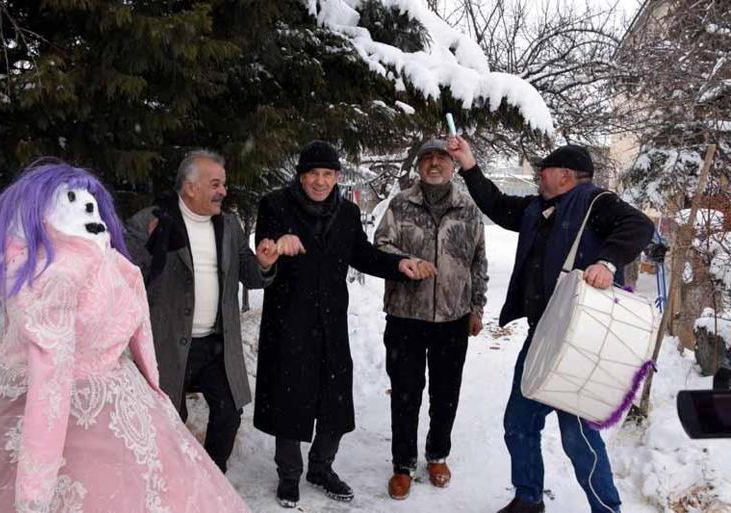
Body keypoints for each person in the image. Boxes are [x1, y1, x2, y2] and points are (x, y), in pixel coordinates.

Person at [0, 161, 249, 513]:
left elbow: (136, 298)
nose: (222, 191)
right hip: (58, 408)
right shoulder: (56, 274)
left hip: (128, 392)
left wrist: (152, 387)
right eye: (215, 183)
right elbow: (50, 373)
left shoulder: (109, 257)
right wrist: (34, 491)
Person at [447, 138, 654, 513]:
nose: (539, 174)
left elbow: (638, 225)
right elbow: (497, 205)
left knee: (578, 436)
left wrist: (606, 263)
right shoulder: (538, 208)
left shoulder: (597, 204)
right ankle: (529, 499)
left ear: (565, 175)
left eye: (545, 169)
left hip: (581, 340)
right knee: (519, 422)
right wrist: (469, 164)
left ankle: (607, 509)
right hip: (542, 334)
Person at [252, 140, 436, 508]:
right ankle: (289, 474)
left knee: (335, 400)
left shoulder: (347, 213)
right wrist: (271, 252)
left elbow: (363, 254)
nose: (320, 182)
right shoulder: (274, 205)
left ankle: (321, 467)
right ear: (301, 176)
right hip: (288, 321)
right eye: (313, 174)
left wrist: (398, 264)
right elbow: (263, 253)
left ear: (337, 176)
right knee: (290, 397)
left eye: (328, 174)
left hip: (331, 321)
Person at [126, 150, 278, 472]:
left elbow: (249, 274)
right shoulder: (150, 221)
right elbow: (124, 277)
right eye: (215, 183)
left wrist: (263, 263)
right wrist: (150, 248)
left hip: (216, 344)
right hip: (166, 344)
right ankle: (172, 479)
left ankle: (210, 475)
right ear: (190, 186)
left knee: (228, 412)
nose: (223, 190)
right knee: (169, 416)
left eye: (223, 183)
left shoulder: (230, 225)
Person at [374, 138, 488, 500]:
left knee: (446, 393)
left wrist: (476, 307)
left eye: (442, 158)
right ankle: (402, 464)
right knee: (405, 393)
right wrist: (402, 263)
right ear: (419, 166)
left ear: (453, 166)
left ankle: (437, 454)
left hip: (453, 317)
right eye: (428, 159)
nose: (435, 164)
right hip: (406, 315)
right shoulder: (400, 204)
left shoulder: (468, 209)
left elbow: (478, 262)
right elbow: (380, 246)